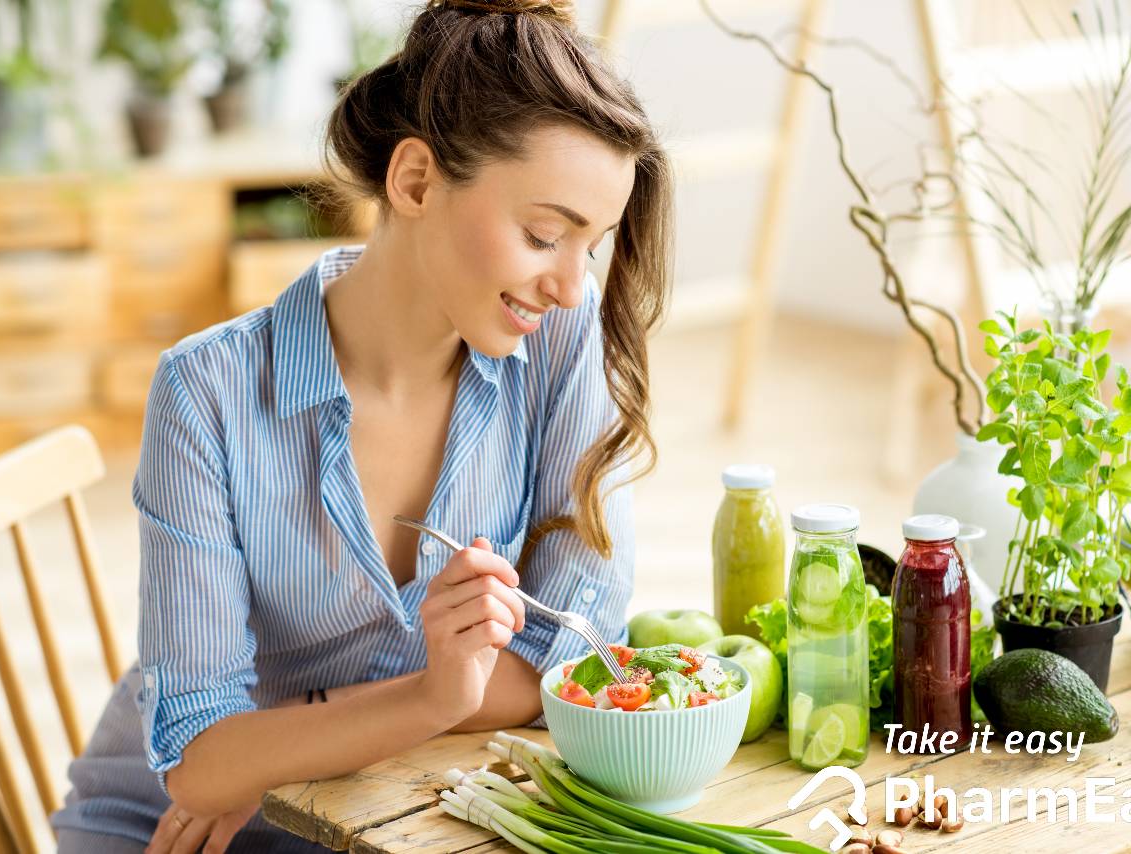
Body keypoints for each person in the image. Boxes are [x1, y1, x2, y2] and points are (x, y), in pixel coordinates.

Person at [51, 1, 672, 850]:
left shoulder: (563, 337)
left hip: (384, 809)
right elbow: (199, 762)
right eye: (542, 235)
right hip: (174, 832)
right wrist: (433, 697)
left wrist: (271, 750)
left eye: (590, 246)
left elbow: (576, 659)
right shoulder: (207, 392)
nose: (569, 283)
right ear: (414, 181)